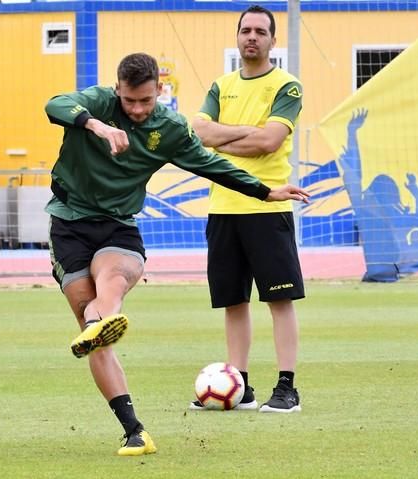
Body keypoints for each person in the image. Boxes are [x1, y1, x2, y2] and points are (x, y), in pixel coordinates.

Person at [45, 52, 309, 456]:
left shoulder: (168, 128)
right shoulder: (98, 103)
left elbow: (210, 164)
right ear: (118, 90)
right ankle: (134, 429)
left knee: (110, 281)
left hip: (118, 225)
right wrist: (97, 126)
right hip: (69, 223)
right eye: (130, 101)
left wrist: (265, 190)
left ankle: (101, 319)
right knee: (92, 330)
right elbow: (55, 105)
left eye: (146, 101)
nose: (136, 109)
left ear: (160, 93)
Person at [190, 4, 305, 413]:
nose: (251, 36)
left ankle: (287, 387)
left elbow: (269, 142)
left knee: (280, 301)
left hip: (267, 209)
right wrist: (241, 134)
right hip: (222, 209)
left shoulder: (287, 86)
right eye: (245, 30)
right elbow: (197, 131)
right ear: (237, 37)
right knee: (232, 302)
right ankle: (240, 386)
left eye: (260, 31)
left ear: (273, 40)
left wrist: (220, 141)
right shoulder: (221, 86)